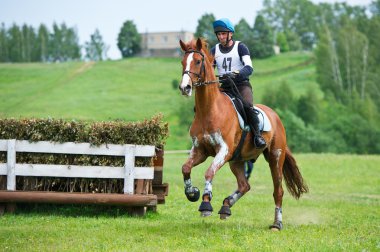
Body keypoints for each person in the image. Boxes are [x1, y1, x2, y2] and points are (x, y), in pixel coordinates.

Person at [211, 18, 266, 148]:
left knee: (247, 105)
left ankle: (258, 136)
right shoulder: (214, 50)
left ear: (231, 34)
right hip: (224, 87)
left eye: (223, 34)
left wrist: (236, 73)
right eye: (219, 34)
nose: (221, 37)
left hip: (241, 85)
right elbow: (209, 68)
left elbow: (249, 68)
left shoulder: (240, 47)